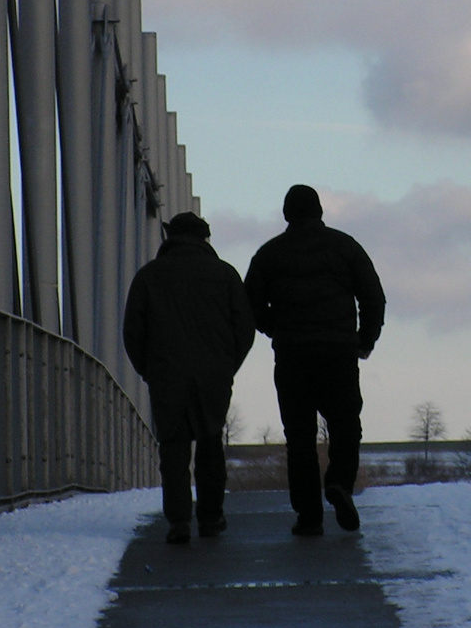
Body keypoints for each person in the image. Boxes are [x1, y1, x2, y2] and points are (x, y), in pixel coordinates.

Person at [244, 184, 385, 537]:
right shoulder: (345, 247)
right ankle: (339, 483)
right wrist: (364, 340)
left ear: (286, 214)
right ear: (320, 211)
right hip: (338, 353)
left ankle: (309, 515)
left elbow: (250, 305)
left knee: (300, 436)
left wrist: (275, 329)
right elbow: (373, 297)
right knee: (345, 425)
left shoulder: (269, 254)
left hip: (293, 356)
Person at [123, 211, 255, 544]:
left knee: (174, 449)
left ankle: (179, 521)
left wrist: (150, 370)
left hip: (167, 374)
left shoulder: (149, 276)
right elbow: (245, 329)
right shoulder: (225, 275)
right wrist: (227, 365)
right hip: (213, 375)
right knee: (211, 444)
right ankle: (211, 518)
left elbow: (132, 333)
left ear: (170, 237)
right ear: (204, 238)